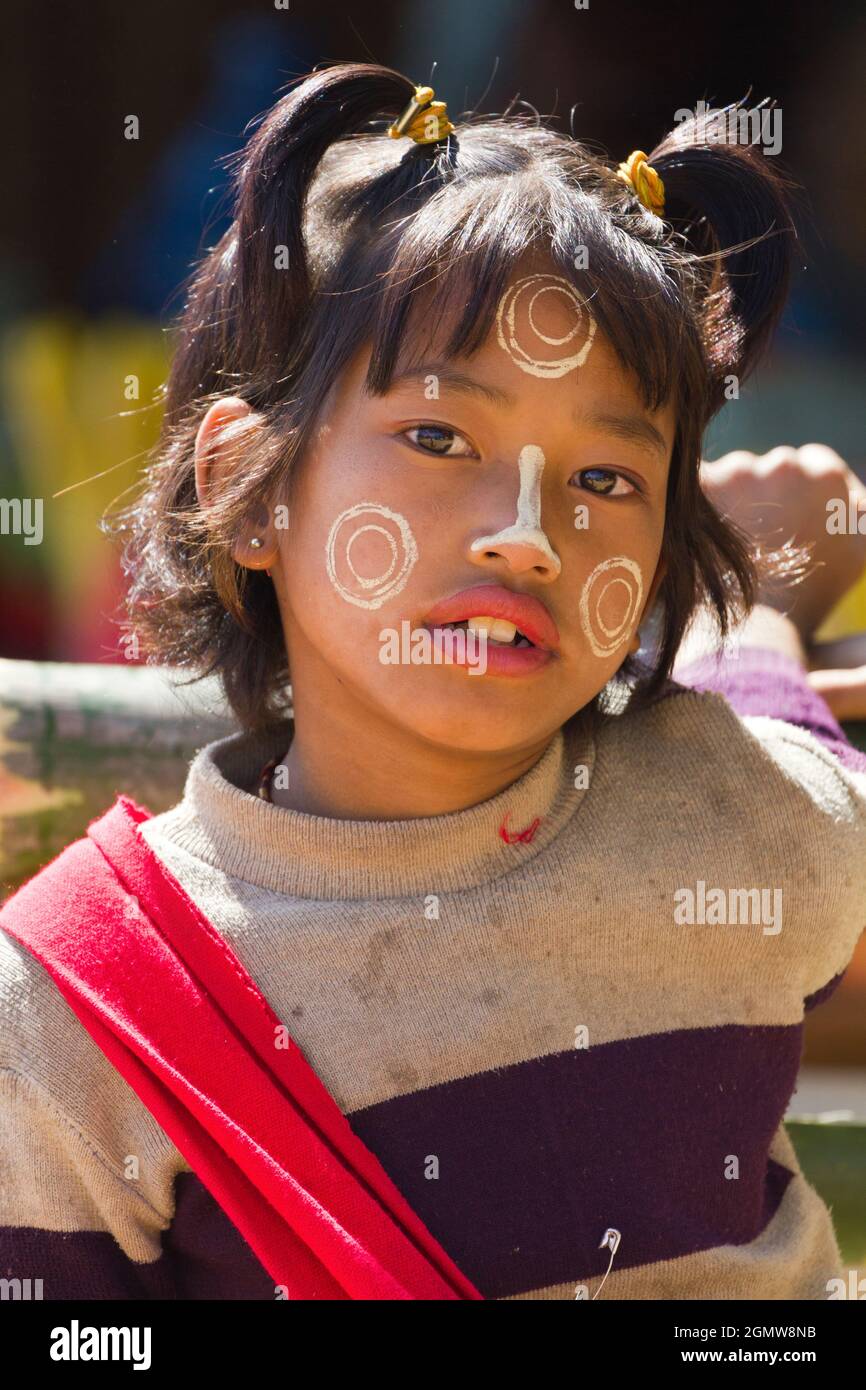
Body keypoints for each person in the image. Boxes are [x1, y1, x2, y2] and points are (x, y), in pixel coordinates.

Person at [2, 63, 866, 1301]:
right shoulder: (72, 1008)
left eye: (607, 481)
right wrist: (764, 618)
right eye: (438, 438)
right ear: (250, 489)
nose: (526, 534)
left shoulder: (729, 820)